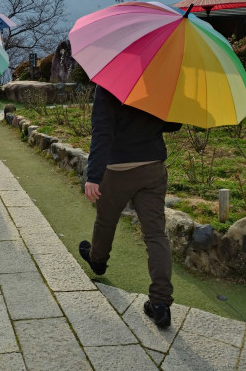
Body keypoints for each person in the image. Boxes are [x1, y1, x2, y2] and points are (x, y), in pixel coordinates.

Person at [80, 85, 182, 328]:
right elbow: (173, 124)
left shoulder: (110, 83)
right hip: (152, 168)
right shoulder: (159, 81)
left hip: (116, 169)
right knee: (155, 234)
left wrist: (93, 176)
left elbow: (102, 131)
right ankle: (161, 303)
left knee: (106, 220)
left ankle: (98, 261)